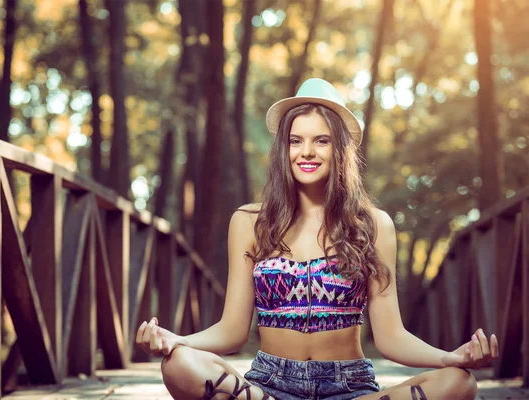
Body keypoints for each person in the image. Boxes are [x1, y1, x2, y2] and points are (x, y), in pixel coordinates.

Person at [135, 78, 499, 400]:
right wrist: (177, 341)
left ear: (339, 149)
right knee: (179, 365)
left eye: (321, 140)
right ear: (284, 149)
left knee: (459, 384)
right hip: (269, 385)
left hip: (350, 387)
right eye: (296, 141)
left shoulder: (374, 225)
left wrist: (450, 358)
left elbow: (391, 338)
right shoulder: (249, 222)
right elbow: (231, 331)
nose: (306, 152)